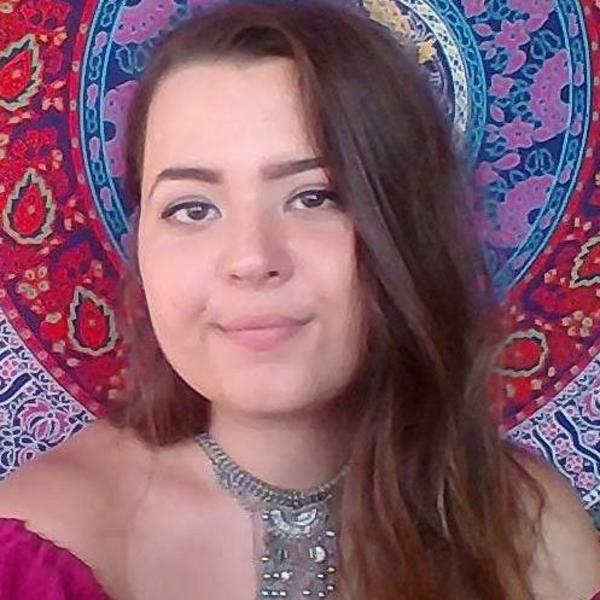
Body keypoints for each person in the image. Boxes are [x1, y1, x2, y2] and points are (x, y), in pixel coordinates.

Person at [0, 1, 599, 598]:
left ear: (407, 230)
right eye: (192, 208)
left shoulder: (534, 534)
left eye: (315, 197)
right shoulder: (45, 549)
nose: (251, 258)